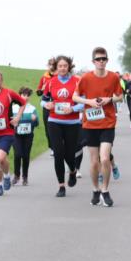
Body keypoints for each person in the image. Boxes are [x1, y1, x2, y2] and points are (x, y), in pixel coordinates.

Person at [75, 46, 124, 207]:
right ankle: (95, 189)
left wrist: (109, 99)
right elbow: (75, 96)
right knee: (94, 161)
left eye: (104, 59)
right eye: (98, 59)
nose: (101, 62)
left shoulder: (113, 78)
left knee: (105, 158)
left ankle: (105, 190)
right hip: (90, 124)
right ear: (93, 61)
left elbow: (120, 96)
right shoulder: (86, 78)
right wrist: (88, 101)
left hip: (108, 123)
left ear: (107, 60)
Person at [41, 55, 84, 197]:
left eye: (65, 66)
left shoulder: (77, 81)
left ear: (69, 67)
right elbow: (44, 100)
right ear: (56, 68)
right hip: (54, 121)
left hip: (72, 122)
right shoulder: (51, 82)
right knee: (58, 153)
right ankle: (61, 186)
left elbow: (84, 102)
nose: (62, 68)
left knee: (69, 153)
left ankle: (72, 171)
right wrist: (47, 104)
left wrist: (73, 109)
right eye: (60, 66)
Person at [11, 87, 39, 185]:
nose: (25, 97)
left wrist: (34, 119)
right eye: (23, 95)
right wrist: (13, 122)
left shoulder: (32, 109)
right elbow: (8, 121)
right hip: (16, 135)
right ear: (19, 95)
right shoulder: (13, 108)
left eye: (27, 95)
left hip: (28, 135)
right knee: (18, 154)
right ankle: (16, 175)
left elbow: (37, 124)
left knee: (26, 156)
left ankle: (25, 177)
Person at [37, 58, 55, 152]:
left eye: (53, 64)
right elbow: (38, 93)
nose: (51, 66)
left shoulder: (59, 76)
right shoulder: (44, 77)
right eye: (50, 64)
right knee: (47, 127)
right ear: (48, 66)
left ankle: (59, 145)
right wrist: (42, 89)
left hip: (58, 105)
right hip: (47, 105)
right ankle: (51, 147)